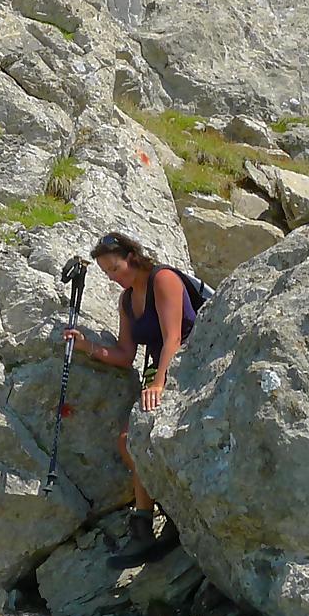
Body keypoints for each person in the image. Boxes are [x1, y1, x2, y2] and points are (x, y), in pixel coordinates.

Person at [62, 230, 197, 566]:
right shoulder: (126, 300)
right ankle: (150, 524)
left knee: (137, 439)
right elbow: (125, 354)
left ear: (132, 258)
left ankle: (155, 522)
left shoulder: (163, 279)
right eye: (106, 272)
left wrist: (159, 384)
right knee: (128, 441)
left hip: (191, 363)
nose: (112, 276)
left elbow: (173, 337)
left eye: (115, 268)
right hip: (160, 371)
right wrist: (88, 347)